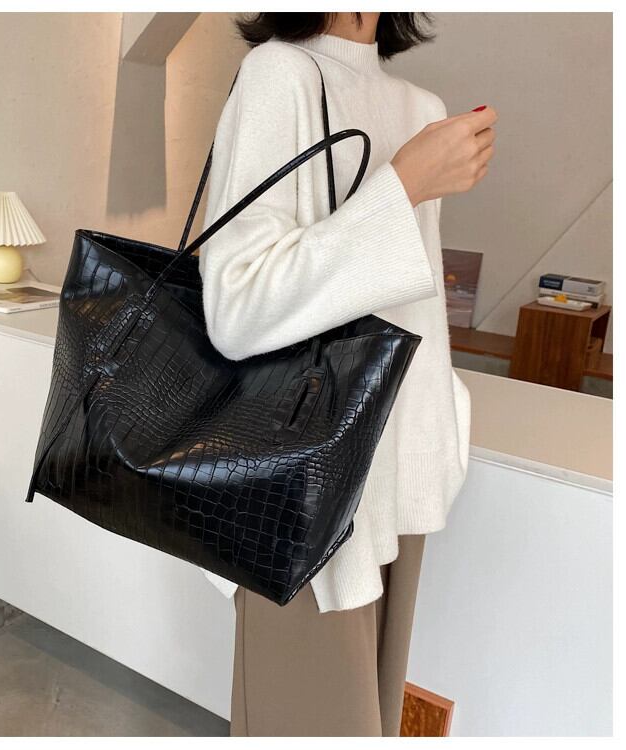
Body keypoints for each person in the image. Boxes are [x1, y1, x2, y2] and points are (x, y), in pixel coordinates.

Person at [197, 11, 496, 737]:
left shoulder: (419, 107)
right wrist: (404, 184)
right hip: (303, 492)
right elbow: (237, 304)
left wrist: (438, 440)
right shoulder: (280, 74)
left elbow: (413, 309)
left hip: (396, 485)